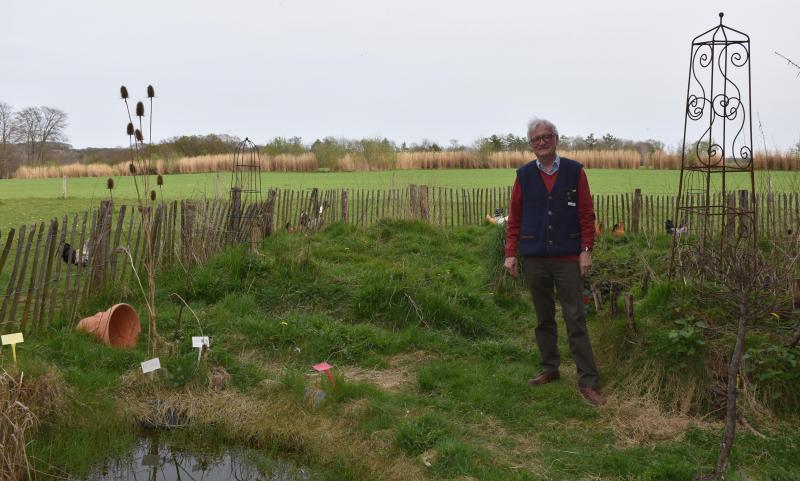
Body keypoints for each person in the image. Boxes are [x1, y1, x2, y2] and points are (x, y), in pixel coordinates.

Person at [503, 118, 605, 406]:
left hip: (567, 258)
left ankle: (588, 381)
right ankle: (550, 369)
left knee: (575, 318)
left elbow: (587, 214)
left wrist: (586, 249)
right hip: (535, 258)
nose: (542, 142)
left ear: (556, 140)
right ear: (531, 145)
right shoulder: (523, 176)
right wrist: (511, 253)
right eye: (536, 139)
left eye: (547, 137)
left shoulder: (574, 172)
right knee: (543, 317)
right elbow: (515, 219)